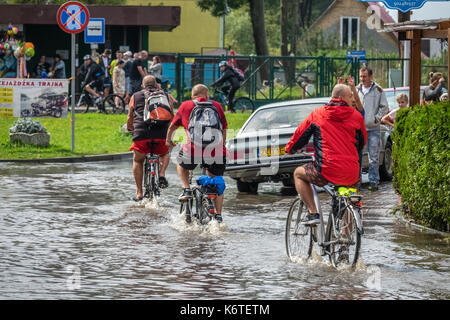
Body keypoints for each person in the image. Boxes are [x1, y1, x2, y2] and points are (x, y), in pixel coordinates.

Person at [285, 84, 367, 225]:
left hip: (326, 170)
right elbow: (362, 142)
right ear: (341, 98)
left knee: (298, 174)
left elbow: (299, 136)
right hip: (351, 173)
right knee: (347, 197)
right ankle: (345, 239)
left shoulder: (318, 114)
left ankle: (313, 213)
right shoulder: (356, 116)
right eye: (350, 96)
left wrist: (290, 149)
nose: (353, 99)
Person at [166, 84, 228, 223]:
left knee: (180, 163)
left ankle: (186, 188)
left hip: (193, 149)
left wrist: (169, 140)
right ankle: (218, 215)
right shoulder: (217, 106)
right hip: (216, 151)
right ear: (207, 95)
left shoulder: (186, 105)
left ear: (192, 95)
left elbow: (173, 126)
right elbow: (224, 127)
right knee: (216, 180)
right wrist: (221, 145)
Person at [127, 75, 175, 202]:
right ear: (156, 85)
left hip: (142, 135)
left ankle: (139, 193)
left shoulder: (135, 96)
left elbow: (129, 117)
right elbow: (172, 116)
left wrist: (130, 128)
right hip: (161, 135)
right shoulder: (165, 95)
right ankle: (162, 174)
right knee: (165, 153)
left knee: (138, 160)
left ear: (142, 86)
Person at [357, 67, 389, 191]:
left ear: (370, 77)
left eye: (364, 77)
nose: (362, 79)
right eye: (360, 76)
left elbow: (384, 106)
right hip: (359, 129)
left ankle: (373, 182)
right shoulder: (356, 89)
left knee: (373, 157)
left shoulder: (378, 90)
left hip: (373, 129)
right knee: (357, 157)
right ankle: (357, 183)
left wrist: (377, 118)